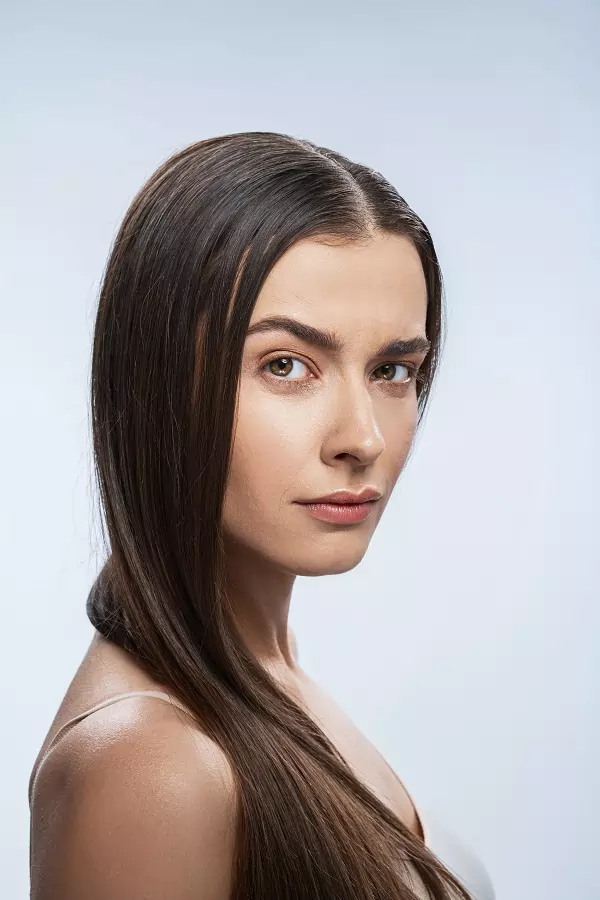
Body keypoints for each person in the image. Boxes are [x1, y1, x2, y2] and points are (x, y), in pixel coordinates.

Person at [28, 131, 496, 900]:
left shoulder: (262, 678)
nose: (362, 439)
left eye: (392, 370)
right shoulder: (151, 768)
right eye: (286, 365)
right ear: (159, 383)